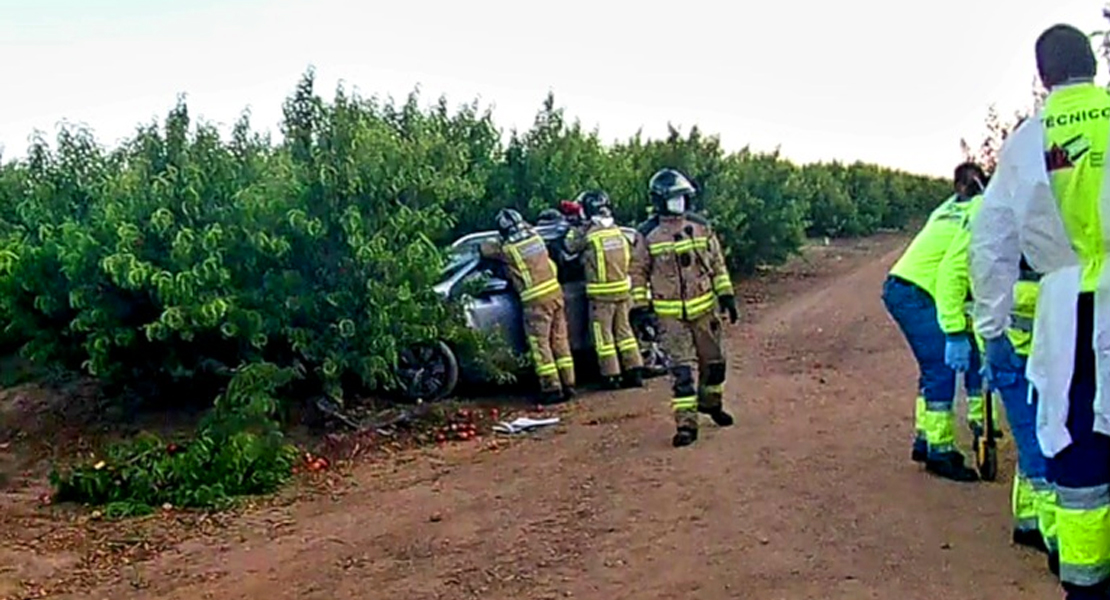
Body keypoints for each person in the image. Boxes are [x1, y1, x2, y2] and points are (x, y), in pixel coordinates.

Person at [970, 24, 1108, 599]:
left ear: (1042, 75)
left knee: (1078, 449)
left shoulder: (1027, 143)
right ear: (1094, 66)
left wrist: (991, 327)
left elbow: (991, 243)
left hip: (1066, 315)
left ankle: (1085, 582)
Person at [935, 174, 1059, 560]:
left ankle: (1029, 521)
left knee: (1037, 437)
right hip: (1017, 353)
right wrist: (958, 333)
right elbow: (953, 276)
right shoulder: (994, 218)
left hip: (1043, 350)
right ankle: (1058, 538)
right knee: (1043, 441)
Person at [881, 162, 987, 482]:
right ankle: (939, 452)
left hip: (901, 286)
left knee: (931, 365)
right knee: (941, 365)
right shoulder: (982, 210)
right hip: (919, 292)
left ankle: (925, 439)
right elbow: (952, 273)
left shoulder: (947, 208)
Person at [630, 168, 738, 447]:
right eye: (675, 198)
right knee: (682, 372)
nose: (680, 203)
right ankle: (686, 424)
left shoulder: (700, 226)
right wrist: (641, 310)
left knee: (714, 364)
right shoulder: (648, 234)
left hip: (705, 311)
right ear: (660, 200)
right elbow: (638, 273)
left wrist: (726, 295)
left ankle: (711, 404)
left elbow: (716, 263)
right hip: (670, 316)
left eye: (683, 197)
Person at [480, 208, 576, 404]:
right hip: (555, 294)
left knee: (540, 344)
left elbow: (485, 249)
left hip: (536, 301)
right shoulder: (537, 238)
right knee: (559, 340)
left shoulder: (508, 249)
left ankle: (551, 388)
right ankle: (569, 384)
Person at [564, 190, 645, 390]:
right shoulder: (617, 231)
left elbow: (569, 246)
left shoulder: (591, 234)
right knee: (625, 333)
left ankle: (612, 376)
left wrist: (575, 227)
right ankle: (634, 372)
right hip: (623, 292)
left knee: (603, 337)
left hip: (602, 296)